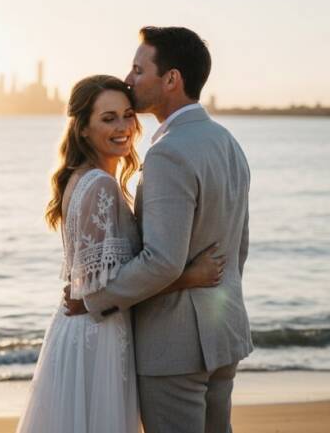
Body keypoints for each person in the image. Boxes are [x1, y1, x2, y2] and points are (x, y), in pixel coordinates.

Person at [65, 27, 252, 433]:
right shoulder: (227, 142)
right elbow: (239, 247)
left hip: (175, 347)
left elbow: (162, 262)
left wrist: (95, 299)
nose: (129, 80)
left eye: (138, 69)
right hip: (225, 335)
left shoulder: (168, 152)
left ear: (171, 79)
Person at [16, 74, 226, 433]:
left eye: (128, 115)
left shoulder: (81, 177)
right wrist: (190, 276)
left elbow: (95, 285)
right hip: (98, 335)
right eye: (108, 118)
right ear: (83, 128)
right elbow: (101, 291)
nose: (123, 127)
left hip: (81, 328)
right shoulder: (100, 185)